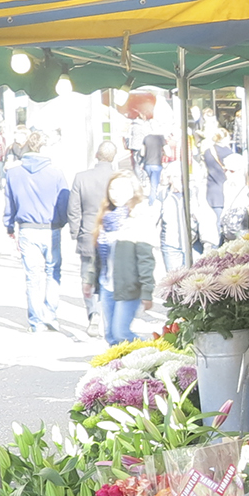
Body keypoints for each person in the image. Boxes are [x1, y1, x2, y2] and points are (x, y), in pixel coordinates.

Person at [0, 130, 68, 332]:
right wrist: (61, 222)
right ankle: (50, 314)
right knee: (52, 271)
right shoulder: (56, 173)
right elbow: (64, 201)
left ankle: (36, 322)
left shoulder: (13, 173)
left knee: (32, 276)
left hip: (27, 229)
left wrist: (9, 224)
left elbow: (9, 202)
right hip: (50, 228)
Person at [67, 140, 122, 332]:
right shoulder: (119, 178)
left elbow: (73, 208)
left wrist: (76, 231)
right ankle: (108, 316)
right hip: (113, 235)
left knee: (88, 276)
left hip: (89, 233)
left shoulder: (81, 178)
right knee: (110, 276)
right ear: (113, 158)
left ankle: (94, 313)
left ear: (97, 155)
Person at [96, 173, 156, 347]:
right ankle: (120, 369)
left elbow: (146, 258)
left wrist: (147, 290)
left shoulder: (138, 218)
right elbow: (96, 256)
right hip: (107, 284)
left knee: (121, 332)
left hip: (128, 286)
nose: (115, 193)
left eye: (121, 189)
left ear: (132, 191)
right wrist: (89, 279)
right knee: (110, 336)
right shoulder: (106, 217)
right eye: (112, 188)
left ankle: (154, 352)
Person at [199, 128, 232, 245]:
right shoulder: (229, 153)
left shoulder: (208, 152)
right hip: (225, 190)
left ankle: (217, 242)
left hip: (212, 191)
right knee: (225, 222)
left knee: (216, 221)